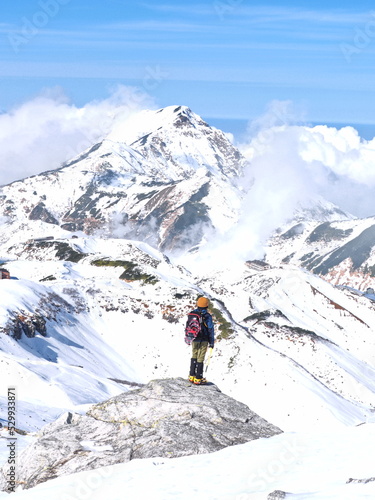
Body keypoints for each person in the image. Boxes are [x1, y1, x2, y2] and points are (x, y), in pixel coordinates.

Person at [188, 297, 215, 385]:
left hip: (194, 338)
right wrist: (211, 342)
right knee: (200, 357)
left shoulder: (192, 314)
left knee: (194, 355)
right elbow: (210, 329)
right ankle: (198, 378)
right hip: (204, 339)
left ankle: (191, 375)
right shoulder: (207, 316)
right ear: (206, 305)